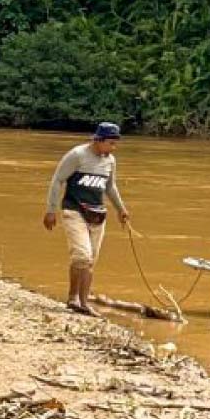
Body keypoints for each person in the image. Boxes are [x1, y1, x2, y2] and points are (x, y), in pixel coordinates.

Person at [43, 122, 132, 315]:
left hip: (97, 214)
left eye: (115, 144)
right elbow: (58, 179)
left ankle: (79, 301)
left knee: (90, 260)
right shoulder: (77, 155)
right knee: (82, 255)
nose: (113, 148)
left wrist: (121, 209)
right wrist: (51, 210)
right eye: (110, 143)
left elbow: (110, 187)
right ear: (97, 140)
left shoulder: (110, 161)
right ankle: (77, 300)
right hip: (74, 211)